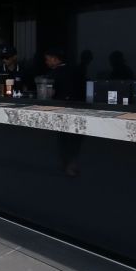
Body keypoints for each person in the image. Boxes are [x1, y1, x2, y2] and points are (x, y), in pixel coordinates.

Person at [44, 47, 82, 176]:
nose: (46, 62)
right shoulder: (74, 70)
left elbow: (49, 93)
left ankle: (67, 165)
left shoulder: (54, 74)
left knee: (64, 139)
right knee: (74, 138)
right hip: (77, 108)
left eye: (48, 59)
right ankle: (71, 164)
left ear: (55, 59)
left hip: (61, 109)